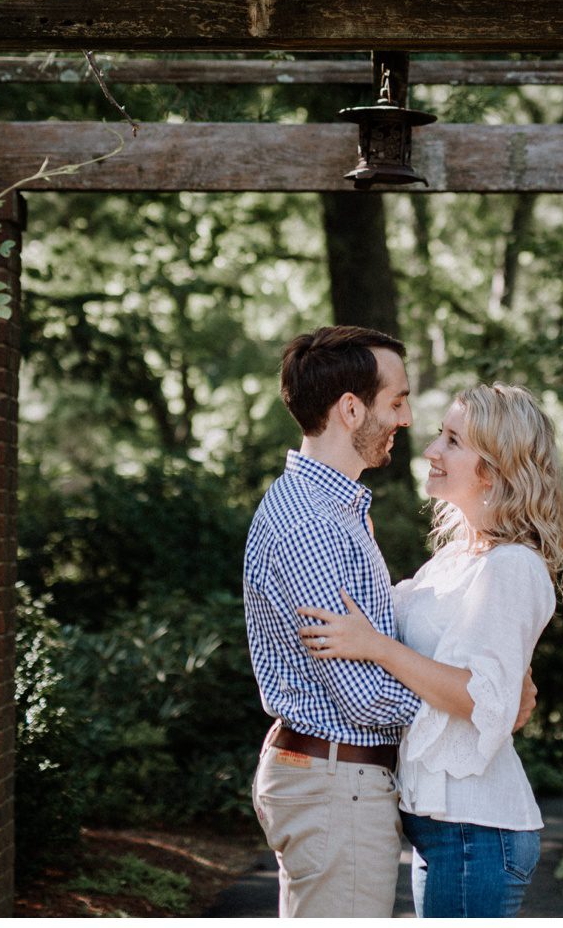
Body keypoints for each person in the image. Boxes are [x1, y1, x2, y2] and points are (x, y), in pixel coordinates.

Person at [297, 382, 563, 919]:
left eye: (452, 441)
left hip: (476, 833)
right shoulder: (453, 562)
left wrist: (375, 648)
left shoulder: (512, 567)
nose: (431, 450)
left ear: (491, 470)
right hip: (445, 832)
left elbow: (479, 696)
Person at [243, 325, 422, 918]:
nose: (407, 417)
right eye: (396, 401)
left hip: (332, 780)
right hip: (335, 783)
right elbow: (364, 697)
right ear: (351, 409)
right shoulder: (312, 526)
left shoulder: (332, 511)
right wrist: (472, 701)